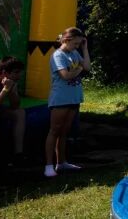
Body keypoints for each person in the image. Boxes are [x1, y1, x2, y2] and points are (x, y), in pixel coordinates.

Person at [44, 27, 90, 178]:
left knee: (64, 131)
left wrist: (85, 49)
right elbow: (66, 75)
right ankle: (48, 165)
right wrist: (79, 69)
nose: (77, 46)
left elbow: (87, 67)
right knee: (55, 130)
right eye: (75, 43)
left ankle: (61, 162)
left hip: (73, 97)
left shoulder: (74, 52)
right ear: (66, 40)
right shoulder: (58, 55)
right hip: (61, 99)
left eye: (79, 44)